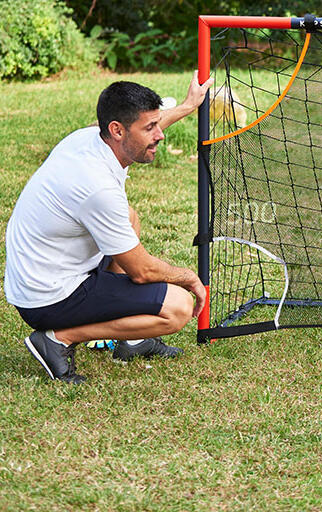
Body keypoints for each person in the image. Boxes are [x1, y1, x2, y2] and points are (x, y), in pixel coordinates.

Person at [4, 73, 212, 384]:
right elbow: (141, 271)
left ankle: (133, 340)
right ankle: (58, 338)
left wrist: (185, 106)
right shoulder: (97, 188)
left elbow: (137, 128)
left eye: (156, 125)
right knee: (177, 307)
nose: (160, 135)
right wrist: (188, 277)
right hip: (48, 296)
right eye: (150, 128)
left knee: (129, 217)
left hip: (42, 272)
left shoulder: (86, 138)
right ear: (116, 130)